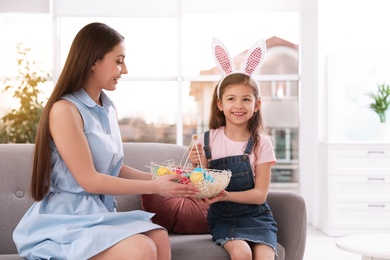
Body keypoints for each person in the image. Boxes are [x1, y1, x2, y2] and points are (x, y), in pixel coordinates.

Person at [13, 22, 198, 260]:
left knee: (158, 236)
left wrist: (163, 178)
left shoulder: (108, 108)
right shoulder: (64, 110)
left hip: (97, 214)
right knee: (143, 248)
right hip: (67, 220)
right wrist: (155, 187)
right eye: (119, 61)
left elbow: (113, 167)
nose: (125, 70)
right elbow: (90, 180)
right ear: (93, 61)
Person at [189, 38, 278, 260]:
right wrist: (197, 164)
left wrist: (226, 194)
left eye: (246, 99)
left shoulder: (262, 143)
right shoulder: (207, 140)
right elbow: (201, 184)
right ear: (220, 104)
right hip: (224, 218)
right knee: (241, 252)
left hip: (257, 218)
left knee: (265, 255)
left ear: (256, 105)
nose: (238, 105)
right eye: (231, 99)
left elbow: (260, 195)